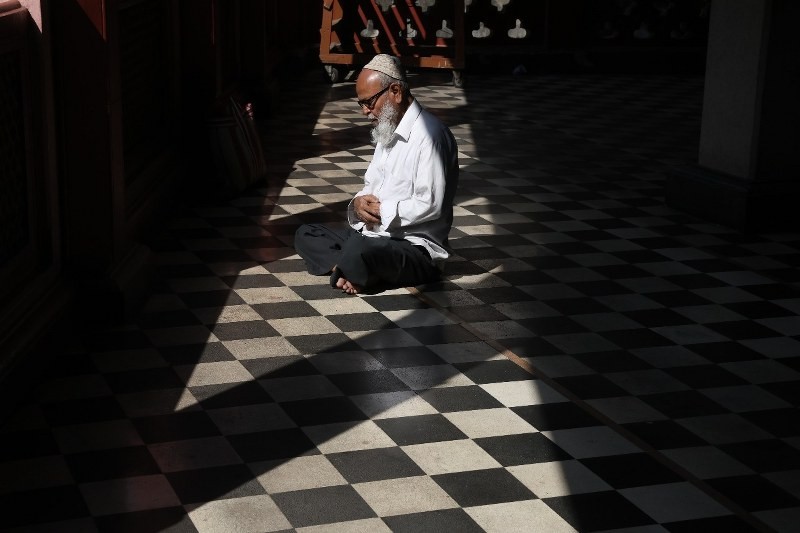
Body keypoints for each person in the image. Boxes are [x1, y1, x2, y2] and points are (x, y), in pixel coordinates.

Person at [294, 54, 459, 295]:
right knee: (306, 233)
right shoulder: (388, 128)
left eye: (369, 102)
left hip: (413, 248)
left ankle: (352, 265)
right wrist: (359, 203)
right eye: (360, 104)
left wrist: (382, 211)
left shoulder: (430, 136)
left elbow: (431, 204)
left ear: (395, 91)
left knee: (361, 248)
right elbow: (371, 185)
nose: (365, 111)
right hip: (374, 236)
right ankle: (348, 268)